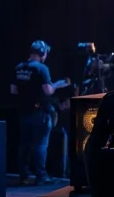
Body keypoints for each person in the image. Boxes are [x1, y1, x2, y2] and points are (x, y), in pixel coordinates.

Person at [11, 40, 70, 185]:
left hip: (23, 112)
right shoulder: (42, 68)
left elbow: (13, 90)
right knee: (40, 145)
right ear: (42, 53)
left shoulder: (19, 67)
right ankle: (41, 176)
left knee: (24, 144)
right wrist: (57, 85)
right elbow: (48, 91)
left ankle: (24, 175)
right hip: (40, 112)